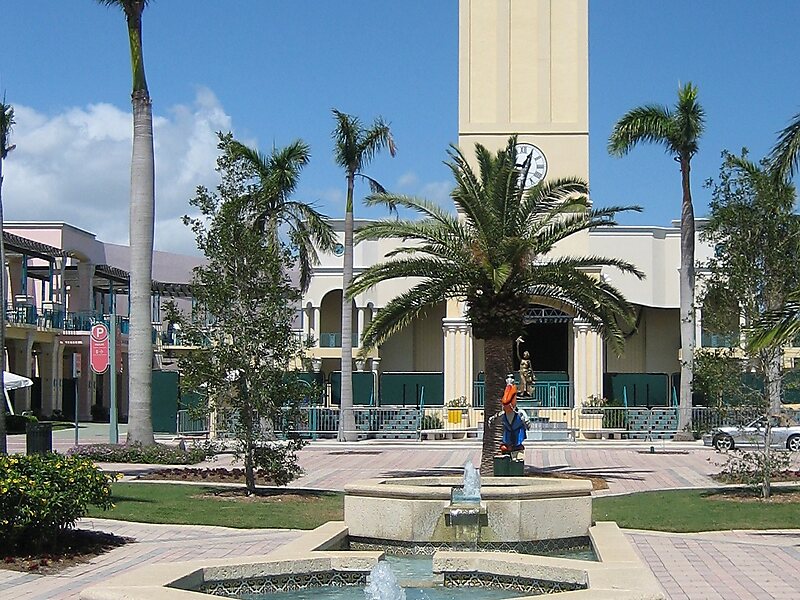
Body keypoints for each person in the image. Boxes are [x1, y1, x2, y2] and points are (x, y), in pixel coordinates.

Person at [489, 374, 531, 459]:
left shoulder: (520, 413)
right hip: (507, 441)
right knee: (504, 450)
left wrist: (525, 421)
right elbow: (494, 420)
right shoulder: (503, 414)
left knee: (518, 455)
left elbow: (528, 426)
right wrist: (492, 420)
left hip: (517, 439)